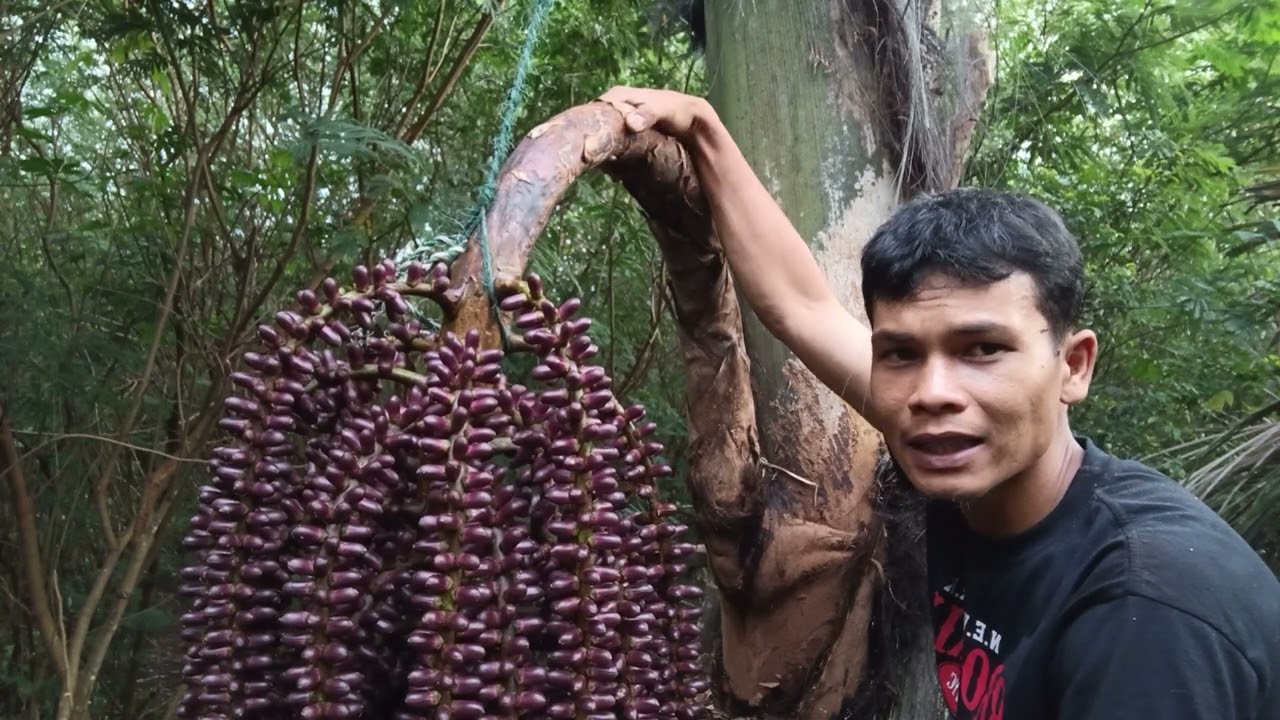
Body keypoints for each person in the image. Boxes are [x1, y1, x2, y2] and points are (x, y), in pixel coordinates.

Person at [598, 86, 1280, 719]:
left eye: (983, 350)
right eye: (899, 353)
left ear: (1071, 366)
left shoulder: (1146, 616)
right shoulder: (962, 440)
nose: (932, 393)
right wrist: (704, 128)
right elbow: (799, 306)